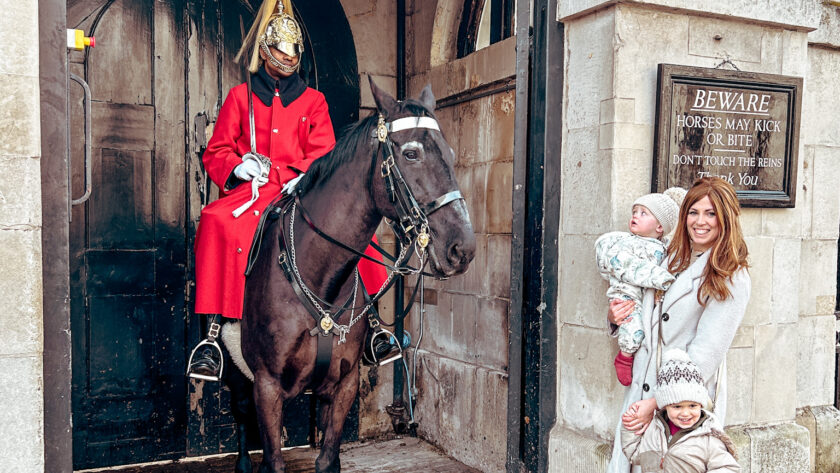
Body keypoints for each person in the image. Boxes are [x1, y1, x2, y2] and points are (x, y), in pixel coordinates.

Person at [188, 0, 387, 380]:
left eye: (291, 53)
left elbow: (325, 153)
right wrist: (237, 166)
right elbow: (217, 151)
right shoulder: (239, 98)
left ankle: (374, 325)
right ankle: (214, 333)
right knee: (216, 222)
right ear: (265, 52)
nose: (286, 58)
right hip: (256, 192)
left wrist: (306, 175)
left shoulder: (314, 102)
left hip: (303, 189)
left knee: (358, 230)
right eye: (280, 51)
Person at [606, 177, 750, 473]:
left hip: (682, 403)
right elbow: (644, 311)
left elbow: (705, 356)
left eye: (711, 213)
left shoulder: (731, 276)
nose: (700, 221)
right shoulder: (669, 256)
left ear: (726, 218)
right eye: (693, 212)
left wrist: (657, 403)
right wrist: (616, 317)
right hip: (644, 383)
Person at [595, 187, 685, 386]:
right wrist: (663, 279)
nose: (635, 216)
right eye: (634, 212)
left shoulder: (667, 250)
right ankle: (625, 357)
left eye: (643, 213)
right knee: (633, 327)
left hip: (667, 354)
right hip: (627, 294)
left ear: (660, 227)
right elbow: (627, 266)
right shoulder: (627, 245)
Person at [621, 349, 740, 472]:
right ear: (664, 406)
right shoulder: (655, 430)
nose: (685, 413)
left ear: (701, 405)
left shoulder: (708, 439)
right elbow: (635, 454)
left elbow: (727, 468)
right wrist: (630, 426)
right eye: (677, 407)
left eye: (692, 406)